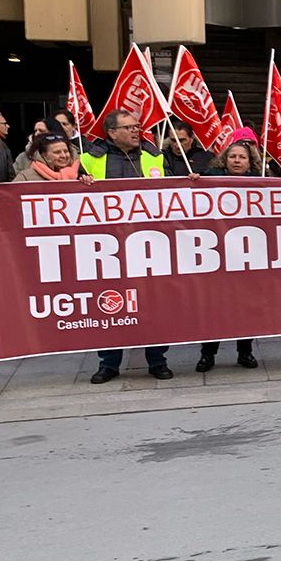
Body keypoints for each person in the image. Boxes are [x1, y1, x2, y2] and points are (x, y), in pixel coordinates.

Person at [78, 110, 172, 382]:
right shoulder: (89, 159)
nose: (136, 131)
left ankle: (157, 360)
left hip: (150, 244)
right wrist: (81, 183)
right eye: (129, 127)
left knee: (155, 304)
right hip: (108, 247)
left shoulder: (154, 156)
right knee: (109, 303)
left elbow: (171, 192)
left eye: (137, 126)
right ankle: (109, 363)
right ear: (111, 132)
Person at [196, 138, 263, 372]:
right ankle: (207, 355)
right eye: (233, 156)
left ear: (249, 161)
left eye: (242, 157)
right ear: (225, 159)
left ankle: (245, 352)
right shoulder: (210, 179)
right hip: (217, 255)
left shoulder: (261, 182)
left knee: (244, 307)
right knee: (214, 307)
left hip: (247, 254)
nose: (237, 160)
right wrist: (195, 182)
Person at [14, 132, 82, 183]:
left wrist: (85, 182)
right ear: (43, 155)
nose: (64, 156)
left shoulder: (80, 173)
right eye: (57, 152)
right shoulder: (25, 178)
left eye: (66, 151)